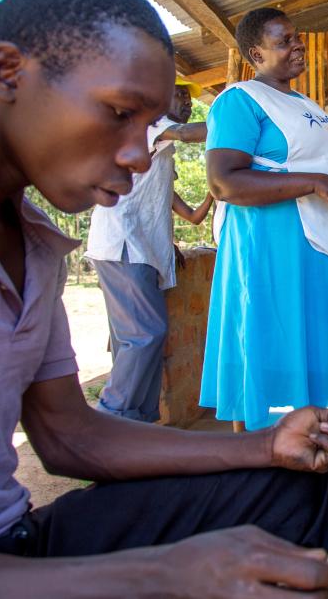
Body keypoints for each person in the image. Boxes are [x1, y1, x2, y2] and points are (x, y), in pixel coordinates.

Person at [0, 0, 328, 598]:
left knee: (291, 491)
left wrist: (262, 447)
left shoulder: (32, 238)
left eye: (145, 125)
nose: (140, 155)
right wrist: (152, 574)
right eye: (120, 113)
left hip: (6, 541)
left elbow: (69, 436)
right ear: (9, 72)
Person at [201, 7, 328, 499]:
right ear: (255, 53)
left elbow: (317, 172)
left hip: (322, 248)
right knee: (265, 350)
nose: (298, 47)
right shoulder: (239, 101)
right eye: (284, 42)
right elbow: (224, 182)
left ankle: (316, 465)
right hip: (271, 249)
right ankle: (258, 469)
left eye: (299, 39)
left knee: (317, 357)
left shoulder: (309, 105)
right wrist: (313, 182)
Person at [85, 77, 210, 422]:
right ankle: (111, 418)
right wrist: (234, 122)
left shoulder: (160, 155)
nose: (187, 103)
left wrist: (218, 186)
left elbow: (193, 217)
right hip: (122, 245)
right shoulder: (149, 125)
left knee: (135, 340)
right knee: (146, 334)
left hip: (139, 250)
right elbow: (187, 134)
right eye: (180, 95)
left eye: (189, 97)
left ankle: (139, 421)